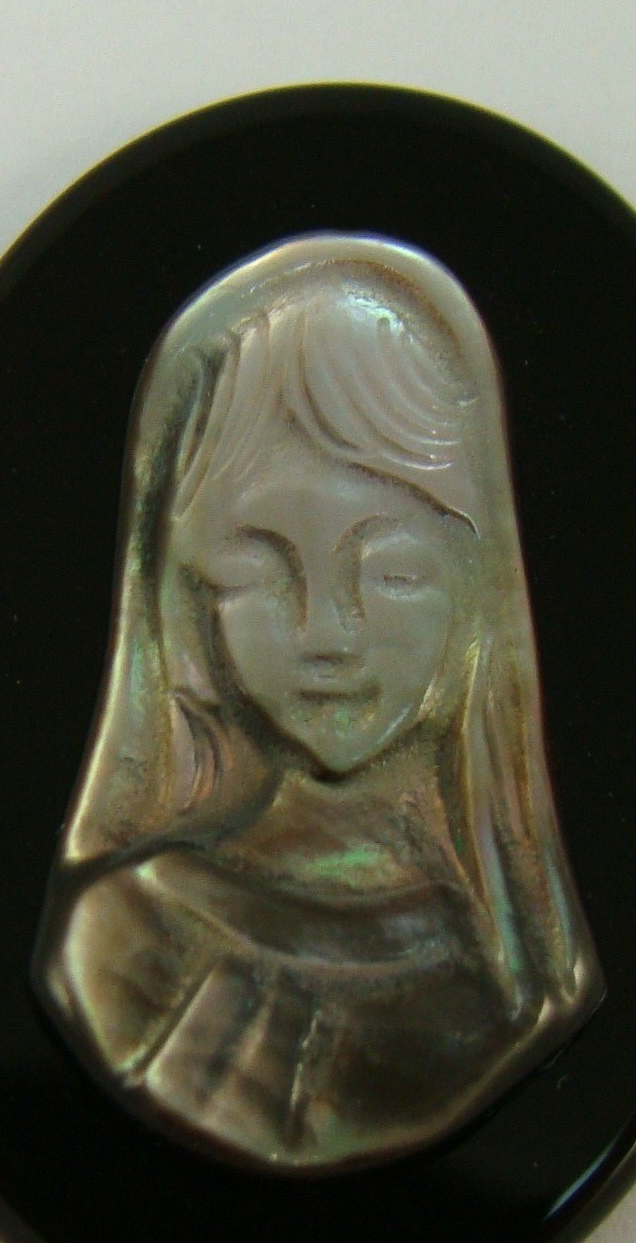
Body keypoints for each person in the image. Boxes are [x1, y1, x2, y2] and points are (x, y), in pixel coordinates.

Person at [33, 234, 603, 1172]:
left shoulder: (506, 989)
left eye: (392, 570)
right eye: (257, 568)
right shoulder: (124, 939)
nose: (326, 632)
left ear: (479, 597)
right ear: (187, 601)